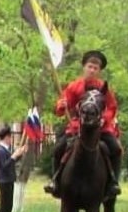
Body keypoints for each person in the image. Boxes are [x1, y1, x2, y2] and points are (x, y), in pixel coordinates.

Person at [44, 50, 122, 199]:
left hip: (100, 128)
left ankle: (113, 182)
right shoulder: (74, 87)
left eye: (95, 68)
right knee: (59, 148)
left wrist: (104, 119)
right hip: (77, 128)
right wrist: (61, 105)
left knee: (116, 149)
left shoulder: (104, 89)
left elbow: (112, 107)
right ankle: (55, 181)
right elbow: (60, 108)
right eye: (89, 67)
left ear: (99, 71)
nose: (92, 70)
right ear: (84, 67)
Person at [0, 126, 27, 212]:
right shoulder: (0, 151)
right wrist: (13, 156)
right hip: (3, 181)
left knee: (8, 206)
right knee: (4, 206)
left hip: (9, 180)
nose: (10, 139)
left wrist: (20, 154)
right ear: (6, 137)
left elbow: (12, 161)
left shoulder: (6, 150)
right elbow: (4, 166)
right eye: (9, 137)